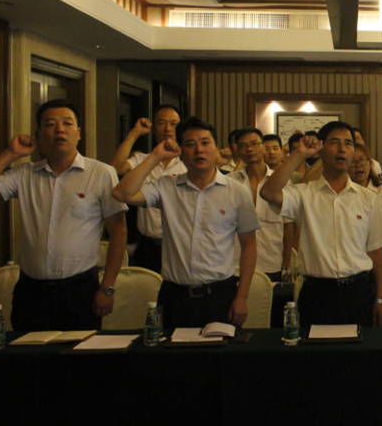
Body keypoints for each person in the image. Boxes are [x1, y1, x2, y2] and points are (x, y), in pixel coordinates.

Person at [0, 100, 128, 332]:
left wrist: (107, 287)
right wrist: (11, 153)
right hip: (31, 292)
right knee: (28, 353)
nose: (59, 130)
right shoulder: (25, 174)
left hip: (79, 291)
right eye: (50, 124)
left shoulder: (101, 173)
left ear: (79, 133)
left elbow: (119, 232)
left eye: (67, 123)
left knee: (77, 354)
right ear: (39, 135)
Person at [113, 117, 259, 329]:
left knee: (220, 350)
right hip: (175, 295)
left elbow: (249, 245)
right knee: (172, 350)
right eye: (190, 144)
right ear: (181, 153)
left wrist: (242, 297)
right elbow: (121, 193)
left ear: (216, 148)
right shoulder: (166, 186)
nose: (199, 150)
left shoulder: (237, 191)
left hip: (220, 294)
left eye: (205, 143)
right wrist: (156, 156)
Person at [260, 122, 382, 328]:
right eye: (334, 142)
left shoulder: (368, 198)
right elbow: (268, 192)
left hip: (358, 292)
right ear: (320, 149)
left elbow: (376, 251)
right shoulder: (304, 194)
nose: (342, 149)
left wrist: (381, 299)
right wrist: (299, 154)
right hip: (317, 294)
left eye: (348, 143)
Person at [110, 105, 185, 274]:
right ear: (153, 129)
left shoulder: (187, 164)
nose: (167, 129)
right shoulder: (142, 160)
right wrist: (135, 133)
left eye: (173, 124)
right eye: (161, 123)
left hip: (178, 246)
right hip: (147, 246)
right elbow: (116, 167)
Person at [228, 128, 292, 283]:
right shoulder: (229, 182)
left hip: (271, 262)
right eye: (243, 146)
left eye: (254, 144)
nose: (249, 149)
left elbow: (289, 225)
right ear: (238, 151)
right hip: (235, 264)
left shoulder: (281, 181)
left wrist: (287, 262)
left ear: (263, 147)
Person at [349, 142, 382, 281]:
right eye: (352, 162)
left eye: (362, 160)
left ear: (370, 163)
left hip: (377, 260)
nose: (358, 165)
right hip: (351, 261)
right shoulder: (343, 195)